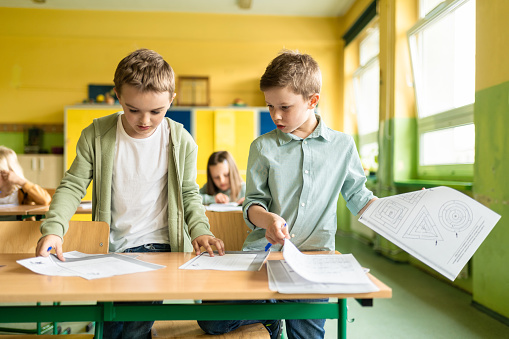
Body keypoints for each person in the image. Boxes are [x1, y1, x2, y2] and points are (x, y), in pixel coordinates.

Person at [35, 48, 225, 339]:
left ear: (171, 100)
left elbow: (189, 193)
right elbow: (73, 184)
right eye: (133, 109)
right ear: (118, 96)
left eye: (157, 111)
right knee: (112, 326)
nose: (145, 120)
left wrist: (200, 230)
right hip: (111, 248)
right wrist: (54, 231)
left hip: (159, 248)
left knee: (132, 324)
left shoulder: (181, 141)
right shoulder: (96, 135)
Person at [198, 50, 377, 339]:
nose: (275, 116)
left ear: (312, 100)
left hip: (313, 259)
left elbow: (360, 197)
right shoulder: (262, 147)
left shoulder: (342, 145)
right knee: (212, 322)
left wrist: (402, 208)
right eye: (269, 106)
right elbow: (253, 204)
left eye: (284, 106)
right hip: (263, 255)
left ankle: (273, 308)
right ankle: (270, 309)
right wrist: (267, 219)